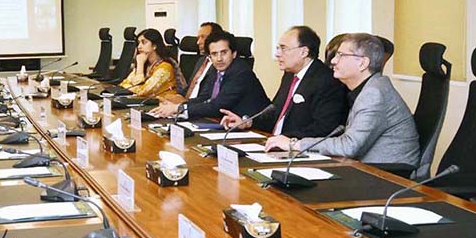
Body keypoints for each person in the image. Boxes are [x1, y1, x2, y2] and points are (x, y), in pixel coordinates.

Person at [265, 33, 419, 166]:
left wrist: (294, 144)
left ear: (362, 63)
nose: (333, 61)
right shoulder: (368, 88)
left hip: (386, 176)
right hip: (362, 168)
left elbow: (349, 146)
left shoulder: (374, 94)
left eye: (341, 55)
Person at [220, 26, 347, 138]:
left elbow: (323, 128)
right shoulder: (289, 74)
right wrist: (247, 122)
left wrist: (285, 139)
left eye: (283, 48)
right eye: (278, 48)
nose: (277, 54)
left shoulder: (327, 81)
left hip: (297, 150)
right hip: (273, 142)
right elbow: (275, 112)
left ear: (304, 52)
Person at [150, 31, 269, 119]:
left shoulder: (240, 73)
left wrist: (179, 109)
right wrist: (178, 105)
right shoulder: (214, 70)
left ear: (234, 54)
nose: (219, 58)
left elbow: (217, 106)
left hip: (255, 128)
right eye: (214, 54)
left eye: (224, 53)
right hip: (225, 122)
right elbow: (205, 98)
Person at [165, 22, 223, 104]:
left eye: (203, 37)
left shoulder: (219, 64)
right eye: (198, 38)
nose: (198, 42)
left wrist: (185, 103)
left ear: (215, 39)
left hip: (197, 107)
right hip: (185, 106)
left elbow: (208, 96)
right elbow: (190, 87)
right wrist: (178, 96)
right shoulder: (201, 61)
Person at [118, 28, 183, 100]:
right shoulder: (147, 64)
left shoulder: (165, 67)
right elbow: (123, 84)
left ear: (154, 46)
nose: (139, 46)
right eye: (138, 43)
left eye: (143, 42)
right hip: (146, 103)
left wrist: (140, 65)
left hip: (164, 105)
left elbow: (142, 91)